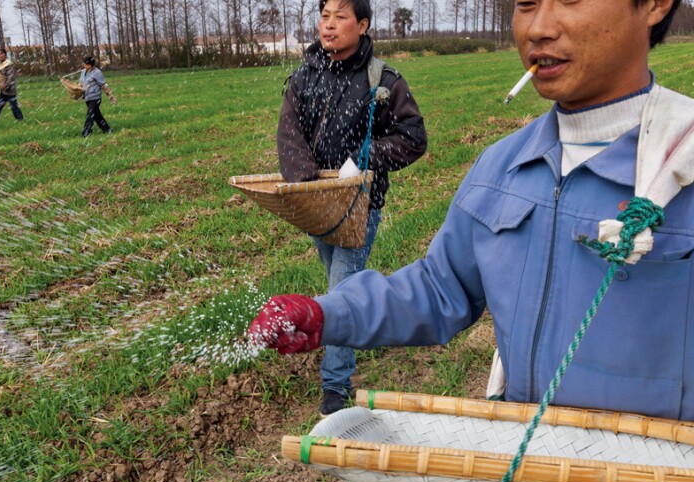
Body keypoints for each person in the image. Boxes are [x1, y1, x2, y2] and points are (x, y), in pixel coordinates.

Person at [250, 0, 694, 421]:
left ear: (654, 5)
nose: (539, 27)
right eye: (525, 4)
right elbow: (441, 288)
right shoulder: (500, 168)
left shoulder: (682, 163)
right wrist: (329, 314)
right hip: (530, 472)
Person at [276, 0, 427, 416]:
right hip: (316, 206)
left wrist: (365, 157)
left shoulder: (383, 80)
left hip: (361, 205)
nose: (328, 25)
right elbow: (288, 134)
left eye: (340, 17)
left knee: (341, 290)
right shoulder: (304, 77)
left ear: (361, 25)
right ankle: (352, 328)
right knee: (337, 286)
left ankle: (335, 385)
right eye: (324, 16)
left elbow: (414, 138)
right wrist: (307, 183)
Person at [79, 56, 116, 137]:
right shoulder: (83, 72)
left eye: (85, 63)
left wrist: (111, 97)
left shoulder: (97, 73)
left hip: (95, 98)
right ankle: (107, 130)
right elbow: (81, 84)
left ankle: (86, 132)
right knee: (96, 115)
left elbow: (104, 85)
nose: (83, 64)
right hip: (87, 98)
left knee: (90, 114)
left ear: (90, 65)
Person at [0, 48, 24, 122]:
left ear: (4, 55)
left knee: (14, 106)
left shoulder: (9, 64)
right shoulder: (1, 65)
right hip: (2, 91)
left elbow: (10, 77)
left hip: (9, 90)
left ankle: (21, 120)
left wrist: (5, 85)